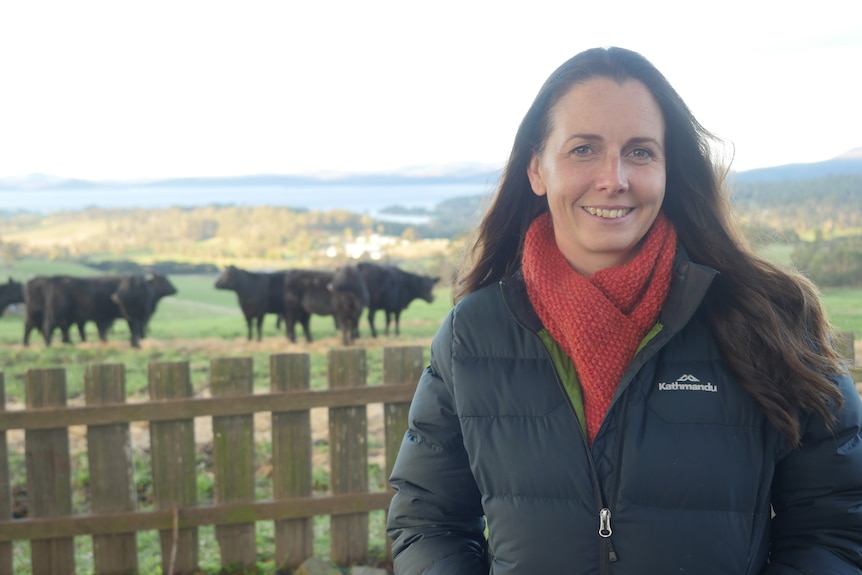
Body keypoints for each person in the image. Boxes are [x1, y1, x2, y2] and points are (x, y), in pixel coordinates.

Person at [386, 46, 862, 574]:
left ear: (667, 169)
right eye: (584, 149)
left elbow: (837, 525)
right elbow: (426, 523)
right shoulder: (472, 336)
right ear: (537, 170)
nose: (614, 178)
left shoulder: (769, 319)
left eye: (640, 152)